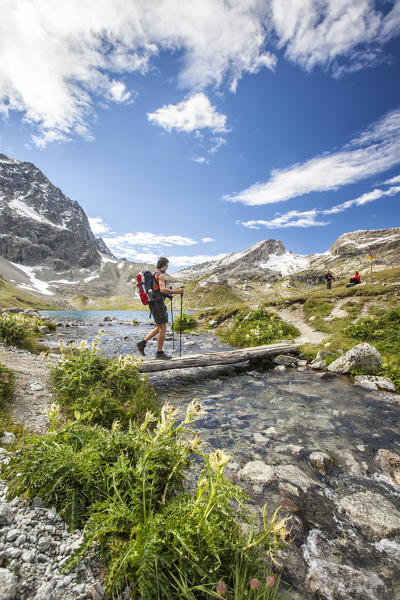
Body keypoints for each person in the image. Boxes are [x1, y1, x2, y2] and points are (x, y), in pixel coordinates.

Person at [136, 257, 184, 360]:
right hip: (158, 304)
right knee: (163, 328)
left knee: (159, 327)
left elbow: (156, 290)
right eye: (167, 266)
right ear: (163, 265)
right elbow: (162, 290)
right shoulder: (161, 275)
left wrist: (168, 296)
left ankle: (142, 343)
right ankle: (159, 353)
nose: (167, 268)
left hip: (154, 303)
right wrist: (177, 292)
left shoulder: (154, 275)